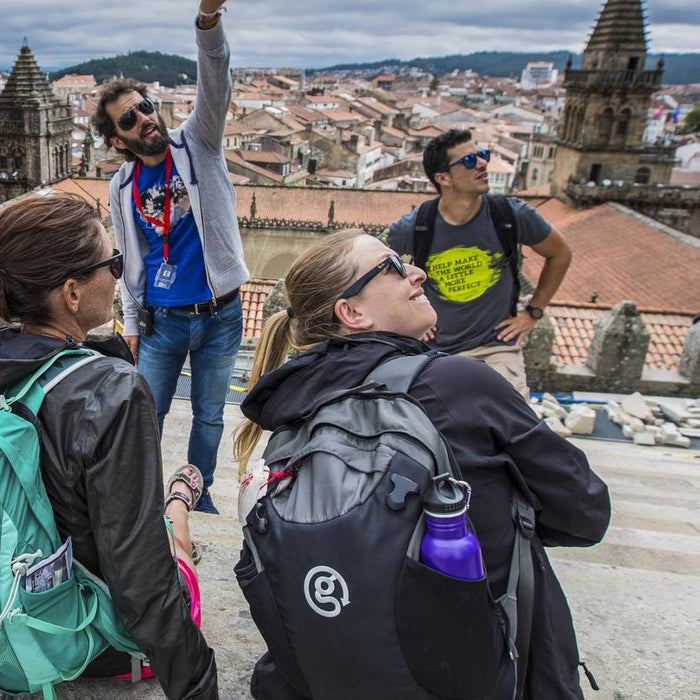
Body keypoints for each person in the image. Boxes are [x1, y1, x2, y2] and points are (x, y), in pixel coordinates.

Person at [234, 229, 610, 699]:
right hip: (470, 671)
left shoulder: (290, 411)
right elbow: (586, 515)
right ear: (353, 312)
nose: (419, 272)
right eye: (392, 267)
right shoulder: (458, 385)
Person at [0, 193, 218, 700]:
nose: (119, 276)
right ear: (71, 293)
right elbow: (142, 578)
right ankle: (182, 499)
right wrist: (199, 682)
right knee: (176, 548)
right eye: (113, 263)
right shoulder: (110, 391)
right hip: (91, 639)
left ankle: (178, 498)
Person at [94, 0, 248, 514]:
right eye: (129, 119)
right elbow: (127, 260)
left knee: (208, 415)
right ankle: (140, 502)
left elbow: (216, 80)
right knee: (146, 414)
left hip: (221, 314)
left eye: (144, 108)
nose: (144, 119)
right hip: (161, 322)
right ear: (119, 138)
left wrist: (208, 21)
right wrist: (131, 323)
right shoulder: (121, 186)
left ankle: (194, 504)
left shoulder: (198, 144)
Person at [381, 128, 573, 398]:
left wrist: (533, 313)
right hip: (432, 352)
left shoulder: (510, 215)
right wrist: (406, 317)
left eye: (482, 155)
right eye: (470, 161)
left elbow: (560, 254)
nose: (483, 164)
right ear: (442, 178)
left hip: (495, 349)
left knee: (509, 422)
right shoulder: (415, 226)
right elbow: (368, 267)